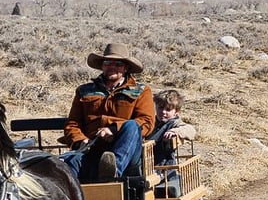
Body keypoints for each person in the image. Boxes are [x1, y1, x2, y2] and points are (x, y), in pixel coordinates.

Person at [60, 43, 154, 181]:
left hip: (128, 151)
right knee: (71, 162)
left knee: (132, 126)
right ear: (102, 65)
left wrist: (114, 129)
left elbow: (147, 122)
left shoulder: (141, 91)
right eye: (108, 62)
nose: (112, 67)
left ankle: (113, 170)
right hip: (92, 149)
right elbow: (73, 124)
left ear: (126, 67)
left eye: (118, 64)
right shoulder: (84, 91)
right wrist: (81, 141)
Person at [148, 89, 197, 166]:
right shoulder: (151, 121)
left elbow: (191, 130)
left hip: (165, 167)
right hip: (147, 163)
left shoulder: (174, 122)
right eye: (160, 107)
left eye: (168, 109)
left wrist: (175, 131)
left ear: (176, 111)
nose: (163, 112)